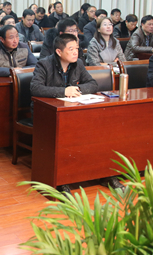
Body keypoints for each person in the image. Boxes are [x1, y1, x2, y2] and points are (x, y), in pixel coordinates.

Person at [30, 33, 101, 193]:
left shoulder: (78, 64)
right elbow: (35, 88)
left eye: (77, 48)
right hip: (46, 114)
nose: (76, 52)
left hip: (71, 112)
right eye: (71, 49)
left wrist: (77, 89)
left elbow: (93, 84)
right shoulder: (44, 64)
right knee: (65, 135)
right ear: (59, 51)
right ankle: (62, 180)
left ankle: (99, 173)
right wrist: (64, 91)